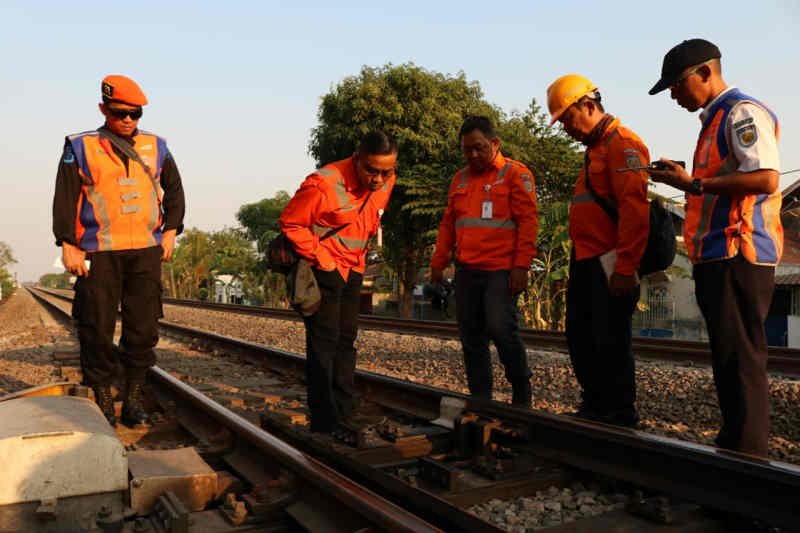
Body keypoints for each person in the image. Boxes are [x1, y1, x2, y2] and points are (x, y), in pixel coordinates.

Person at [648, 39, 782, 456]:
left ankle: (749, 459)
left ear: (705, 72)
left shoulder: (742, 112)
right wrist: (689, 180)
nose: (673, 94)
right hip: (716, 254)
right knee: (728, 358)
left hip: (738, 252)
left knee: (741, 359)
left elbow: (766, 178)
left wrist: (694, 184)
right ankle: (735, 448)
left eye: (676, 83)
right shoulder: (713, 121)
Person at [52, 74, 185, 427]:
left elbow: (175, 191)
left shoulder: (157, 147)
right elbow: (65, 198)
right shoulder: (81, 146)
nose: (127, 120)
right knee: (96, 327)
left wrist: (170, 230)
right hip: (99, 253)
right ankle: (103, 398)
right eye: (119, 112)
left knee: (142, 329)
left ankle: (134, 397)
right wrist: (68, 243)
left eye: (134, 113)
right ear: (103, 109)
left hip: (145, 251)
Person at [546, 74, 650, 427]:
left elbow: (635, 212)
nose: (565, 129)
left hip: (610, 262)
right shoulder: (596, 149)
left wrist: (625, 267)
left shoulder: (623, 144)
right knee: (582, 335)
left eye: (567, 119)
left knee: (610, 339)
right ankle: (595, 404)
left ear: (587, 106)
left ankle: (619, 412)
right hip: (587, 258)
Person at [279, 131, 397, 434]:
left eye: (386, 171)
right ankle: (324, 418)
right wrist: (324, 259)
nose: (378, 179)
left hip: (354, 267)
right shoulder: (324, 184)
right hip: (325, 267)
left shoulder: (387, 180)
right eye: (371, 170)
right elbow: (291, 222)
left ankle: (345, 408)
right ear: (357, 159)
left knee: (346, 340)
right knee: (324, 342)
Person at [430, 116, 538, 407]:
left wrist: (521, 266)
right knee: (472, 337)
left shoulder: (516, 174)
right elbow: (448, 224)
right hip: (467, 270)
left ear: (494, 143)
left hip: (501, 272)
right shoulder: (460, 179)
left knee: (502, 329)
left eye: (478, 147)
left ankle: (521, 394)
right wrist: (438, 262)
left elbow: (528, 223)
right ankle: (480, 397)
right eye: (467, 150)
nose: (473, 155)